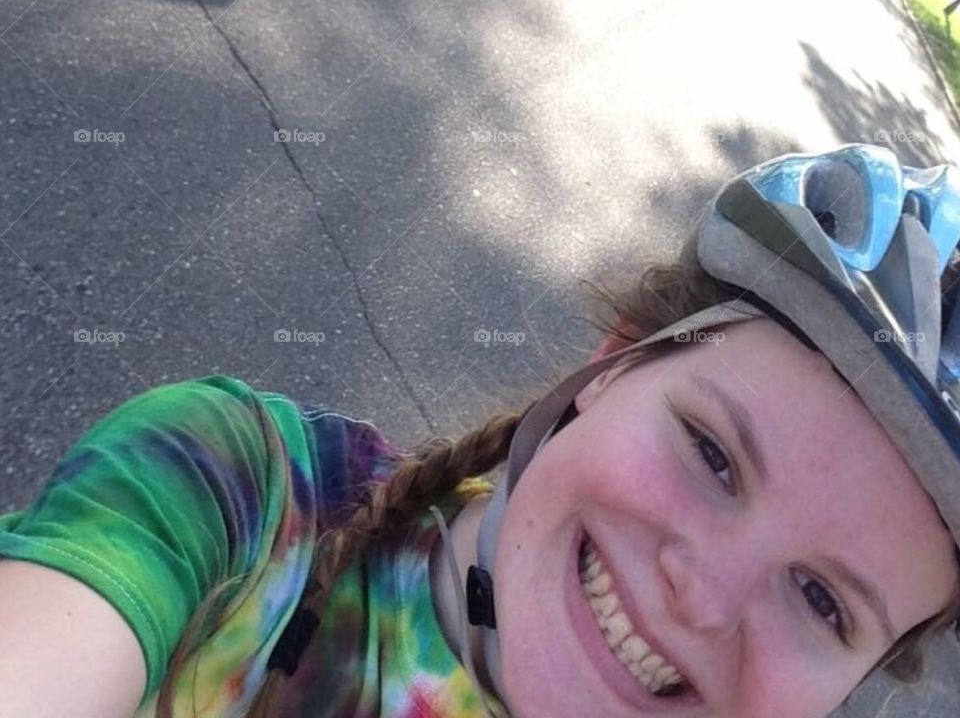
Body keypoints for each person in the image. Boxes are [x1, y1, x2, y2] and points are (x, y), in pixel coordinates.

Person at [1, 143, 960, 718]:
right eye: (712, 453)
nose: (703, 603)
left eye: (826, 603)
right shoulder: (239, 489)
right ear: (612, 364)